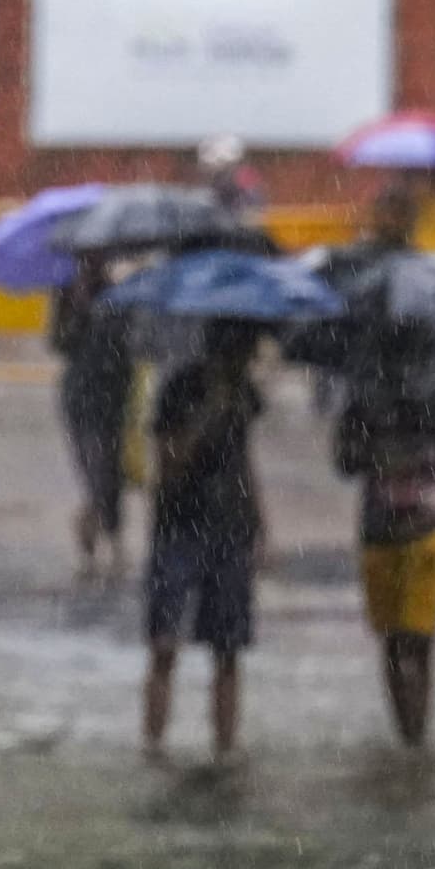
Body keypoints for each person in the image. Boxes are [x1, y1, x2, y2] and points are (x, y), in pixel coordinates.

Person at [317, 187, 435, 750]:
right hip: (409, 527)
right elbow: (348, 458)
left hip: (402, 529)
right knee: (409, 642)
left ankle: (410, 742)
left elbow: (347, 460)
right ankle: (413, 741)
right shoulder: (424, 382)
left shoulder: (402, 384)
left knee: (401, 643)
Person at [142, 316, 265, 763]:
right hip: (179, 528)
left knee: (228, 649)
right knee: (164, 643)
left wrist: (258, 523)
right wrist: (207, 413)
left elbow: (243, 461)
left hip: (229, 531)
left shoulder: (245, 393)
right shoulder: (179, 388)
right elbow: (167, 465)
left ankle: (225, 748)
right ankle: (154, 745)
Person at [51, 255, 136, 579]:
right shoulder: (66, 293)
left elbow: (131, 340)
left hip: (114, 391)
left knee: (110, 469)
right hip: (81, 394)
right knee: (95, 466)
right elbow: (58, 342)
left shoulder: (120, 292)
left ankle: (108, 535)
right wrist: (79, 312)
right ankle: (95, 527)